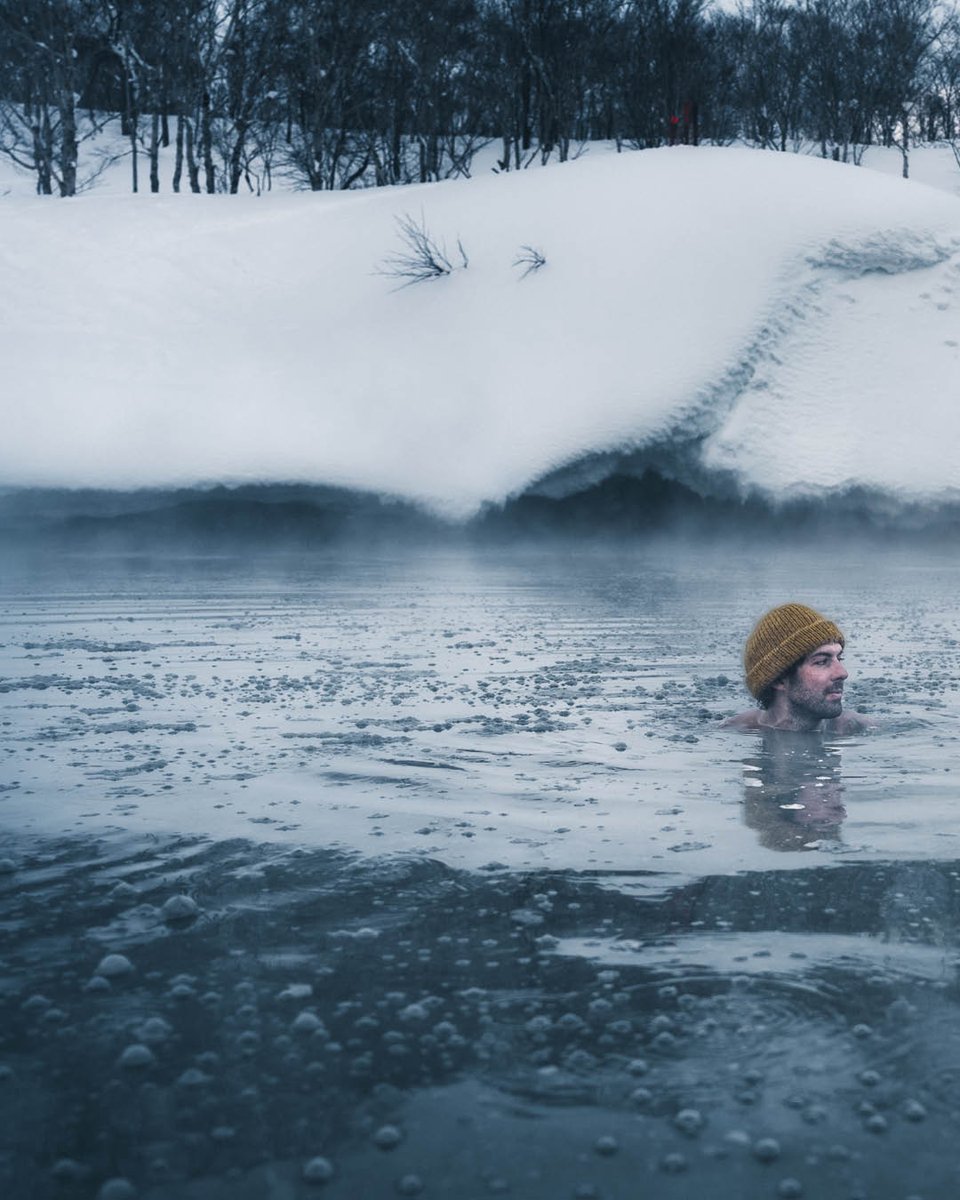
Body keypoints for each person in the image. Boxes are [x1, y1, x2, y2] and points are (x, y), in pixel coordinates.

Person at [720, 602, 875, 734]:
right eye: (822, 662)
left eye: (839, 658)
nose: (842, 673)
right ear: (779, 679)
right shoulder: (734, 731)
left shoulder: (857, 728)